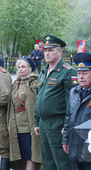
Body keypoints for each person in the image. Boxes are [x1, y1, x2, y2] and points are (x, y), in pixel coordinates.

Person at [34, 35, 77, 170]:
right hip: (44, 124)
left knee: (62, 163)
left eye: (51, 50)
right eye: (45, 50)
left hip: (58, 125)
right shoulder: (43, 72)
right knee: (48, 163)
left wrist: (67, 128)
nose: (47, 53)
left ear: (60, 52)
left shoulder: (68, 72)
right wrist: (37, 121)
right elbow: (38, 98)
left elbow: (73, 104)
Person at [7, 57, 42, 170]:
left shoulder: (34, 82)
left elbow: (35, 103)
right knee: (20, 155)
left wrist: (34, 125)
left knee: (30, 155)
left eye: (23, 67)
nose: (20, 69)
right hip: (16, 124)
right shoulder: (16, 83)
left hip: (28, 124)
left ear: (30, 68)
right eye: (19, 67)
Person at [62, 52, 91, 170]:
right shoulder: (74, 92)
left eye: (85, 73)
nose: (81, 77)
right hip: (75, 146)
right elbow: (68, 117)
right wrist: (65, 139)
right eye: (79, 73)